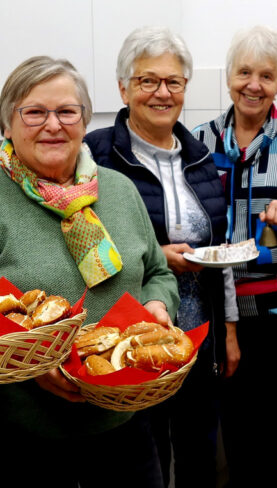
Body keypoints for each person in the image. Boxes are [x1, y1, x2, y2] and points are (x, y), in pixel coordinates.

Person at [0, 55, 179, 488]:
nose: (53, 125)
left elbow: (158, 271)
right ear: (8, 124)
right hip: (26, 431)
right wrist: (28, 362)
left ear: (84, 120)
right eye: (35, 113)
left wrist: (157, 304)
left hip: (125, 420)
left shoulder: (120, 191)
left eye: (66, 111)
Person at [84, 26, 237, 488]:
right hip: (129, 338)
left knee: (198, 453)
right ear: (123, 89)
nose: (162, 92)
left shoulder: (200, 157)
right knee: (142, 461)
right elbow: (75, 241)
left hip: (195, 337)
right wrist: (156, 258)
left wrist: (228, 332)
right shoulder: (95, 156)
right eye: (148, 80)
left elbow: (221, 248)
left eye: (173, 81)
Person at [192, 25, 277, 488]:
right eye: (244, 73)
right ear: (228, 76)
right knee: (234, 423)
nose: (253, 85)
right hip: (222, 310)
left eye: (266, 76)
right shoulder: (199, 141)